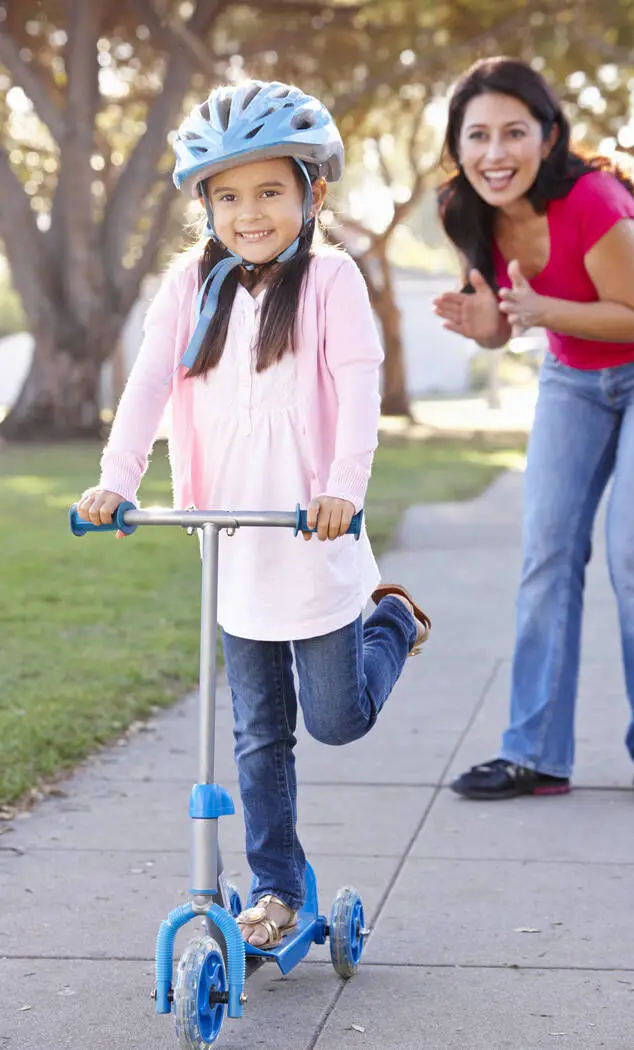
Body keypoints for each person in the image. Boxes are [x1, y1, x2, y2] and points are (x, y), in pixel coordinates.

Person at [76, 80, 430, 947]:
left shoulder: (330, 280)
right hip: (233, 544)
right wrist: (116, 480)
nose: (250, 211)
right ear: (204, 204)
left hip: (312, 535)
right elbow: (150, 385)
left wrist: (343, 487)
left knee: (337, 721)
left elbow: (356, 388)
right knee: (258, 736)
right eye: (228, 195)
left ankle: (389, 616)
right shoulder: (189, 287)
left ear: (312, 194)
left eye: (270, 190)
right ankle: (276, 888)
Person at [433, 56, 634, 803]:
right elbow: (502, 321)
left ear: (548, 138)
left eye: (514, 132)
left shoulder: (596, 201)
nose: (495, 153)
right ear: (458, 145)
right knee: (548, 553)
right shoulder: (465, 211)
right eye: (477, 135)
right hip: (575, 375)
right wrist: (489, 329)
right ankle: (535, 753)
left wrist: (537, 316)